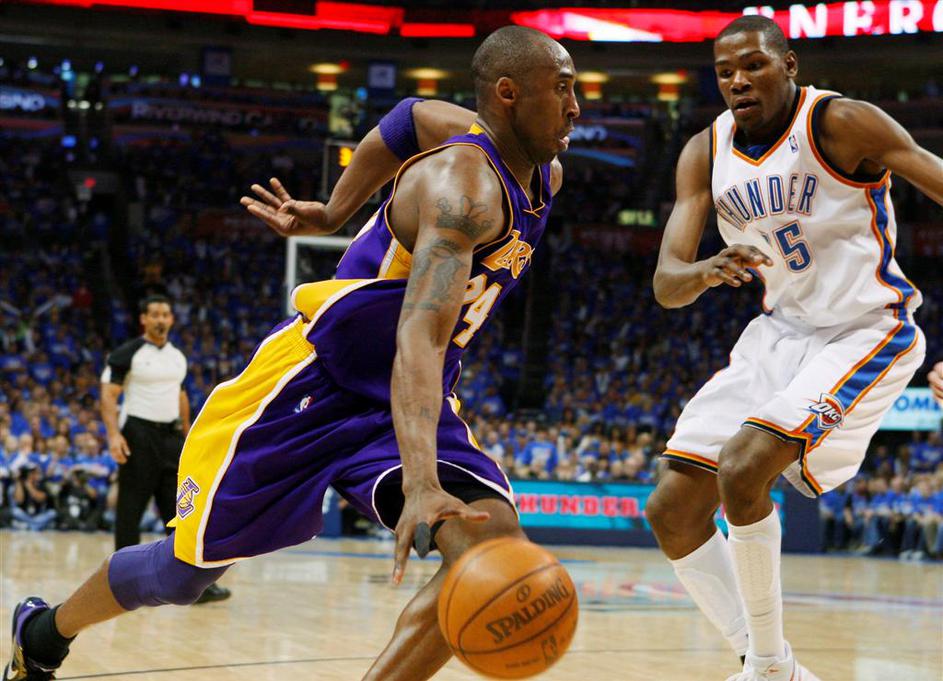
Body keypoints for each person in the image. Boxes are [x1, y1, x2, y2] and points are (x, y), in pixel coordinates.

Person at [5, 26, 578, 681]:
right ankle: (44, 632)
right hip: (311, 384)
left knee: (488, 546)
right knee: (182, 574)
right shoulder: (462, 186)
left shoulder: (543, 173)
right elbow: (417, 337)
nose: (575, 108)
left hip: (403, 399)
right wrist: (421, 484)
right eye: (562, 89)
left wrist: (334, 212)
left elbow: (408, 117)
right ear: (507, 94)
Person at [647, 15, 940, 681]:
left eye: (753, 64)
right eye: (724, 71)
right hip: (779, 332)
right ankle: (770, 663)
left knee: (743, 467)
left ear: (788, 64)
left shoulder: (841, 123)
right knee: (671, 508)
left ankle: (768, 669)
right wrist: (704, 270)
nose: (737, 81)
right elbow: (667, 284)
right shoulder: (703, 151)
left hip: (866, 325)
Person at [100, 294, 230, 604]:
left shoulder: (177, 357)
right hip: (138, 434)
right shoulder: (127, 353)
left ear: (171, 319)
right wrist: (114, 435)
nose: (160, 319)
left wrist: (187, 435)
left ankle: (193, 584)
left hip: (171, 438)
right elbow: (108, 395)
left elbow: (180, 396)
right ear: (144, 319)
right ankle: (123, 584)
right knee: (130, 510)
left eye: (165, 314)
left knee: (182, 511)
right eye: (155, 314)